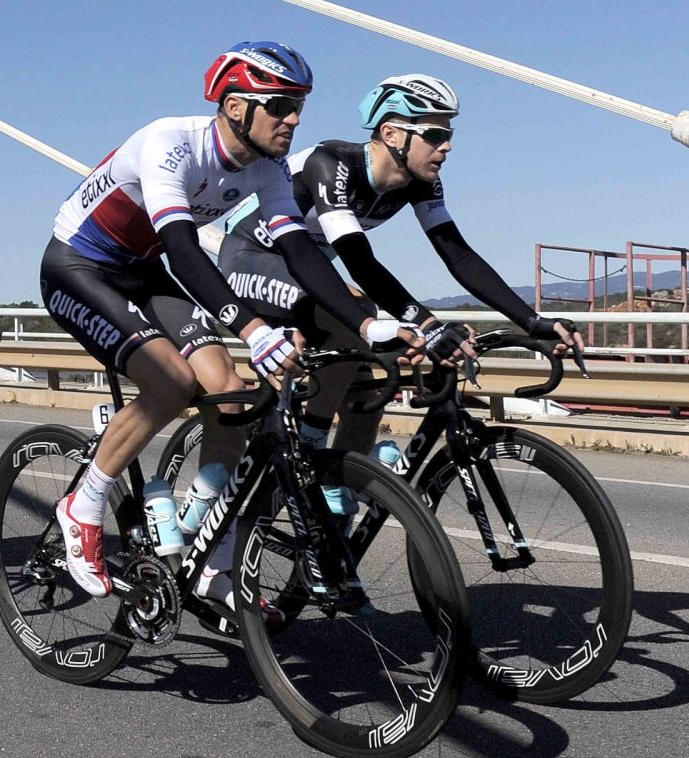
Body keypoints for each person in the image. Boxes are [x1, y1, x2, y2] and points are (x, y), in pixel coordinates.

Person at [43, 42, 422, 601]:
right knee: (172, 381)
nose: (294, 119)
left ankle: (212, 557)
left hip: (141, 272)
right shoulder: (171, 143)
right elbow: (182, 250)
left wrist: (366, 326)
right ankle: (84, 504)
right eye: (281, 106)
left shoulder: (268, 168)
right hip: (79, 267)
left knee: (233, 394)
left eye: (299, 106)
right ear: (236, 106)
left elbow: (301, 252)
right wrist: (253, 330)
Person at [219, 73, 583, 462]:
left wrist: (532, 321)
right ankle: (310, 449)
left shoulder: (420, 181)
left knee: (369, 395)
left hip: (311, 273)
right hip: (248, 258)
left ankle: (341, 488)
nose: (446, 146)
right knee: (356, 313)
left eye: (449, 135)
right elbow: (359, 260)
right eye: (434, 135)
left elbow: (458, 255)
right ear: (391, 134)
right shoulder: (330, 163)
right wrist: (429, 325)